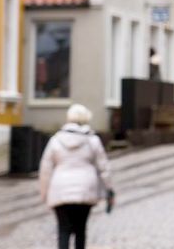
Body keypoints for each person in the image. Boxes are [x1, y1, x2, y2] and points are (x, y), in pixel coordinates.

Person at [39, 104, 113, 249]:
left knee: (63, 229)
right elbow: (104, 167)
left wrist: (44, 193)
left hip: (60, 189)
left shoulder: (56, 140)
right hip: (86, 189)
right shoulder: (92, 140)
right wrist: (109, 188)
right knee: (80, 229)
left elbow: (45, 169)